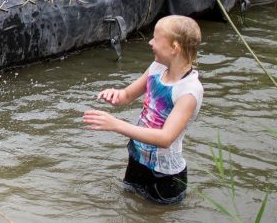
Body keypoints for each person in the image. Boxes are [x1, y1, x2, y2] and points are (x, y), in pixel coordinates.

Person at [82, 15, 203, 204]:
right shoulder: (157, 68)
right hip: (138, 158)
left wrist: (115, 125)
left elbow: (165, 138)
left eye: (156, 39)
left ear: (174, 48)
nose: (150, 42)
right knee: (130, 214)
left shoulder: (188, 91)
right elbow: (127, 95)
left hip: (164, 175)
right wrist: (115, 95)